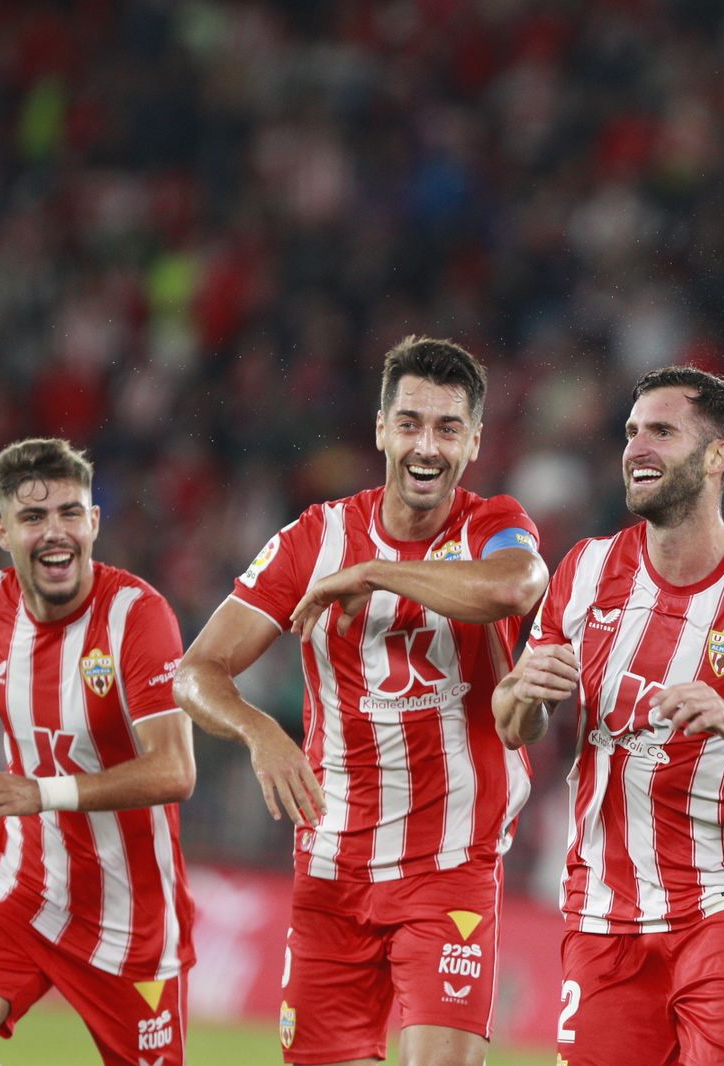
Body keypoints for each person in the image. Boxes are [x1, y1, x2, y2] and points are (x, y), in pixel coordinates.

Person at [175, 337, 546, 1066]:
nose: (426, 446)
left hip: (451, 865)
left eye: (446, 428)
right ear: (381, 430)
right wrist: (260, 732)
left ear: (473, 441)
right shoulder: (314, 538)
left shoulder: (491, 523)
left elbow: (512, 586)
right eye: (409, 423)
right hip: (332, 868)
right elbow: (196, 671)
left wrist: (376, 573)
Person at [494, 366, 724, 1066]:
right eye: (631, 432)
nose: (636, 448)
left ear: (717, 457)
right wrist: (524, 691)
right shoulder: (584, 571)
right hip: (603, 917)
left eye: (661, 431)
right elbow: (512, 724)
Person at [0, 437, 196, 1066]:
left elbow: (175, 770)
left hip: (131, 916)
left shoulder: (138, 617)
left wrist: (41, 792)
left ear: (94, 522)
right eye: (33, 518)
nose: (54, 532)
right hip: (24, 892)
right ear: (3, 531)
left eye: (68, 512)